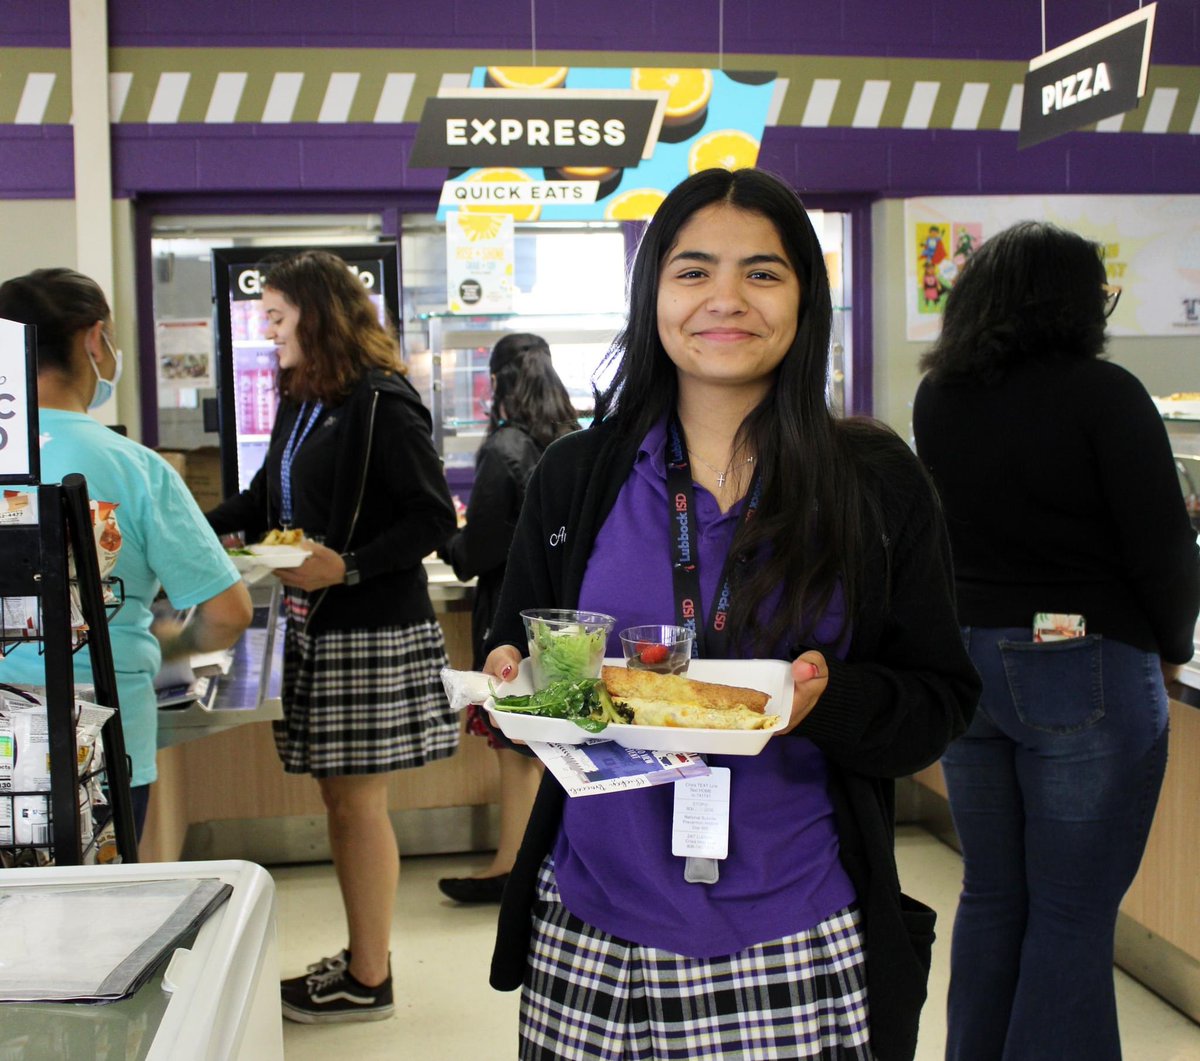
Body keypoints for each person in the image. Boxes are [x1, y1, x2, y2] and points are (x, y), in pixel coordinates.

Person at [480, 168, 981, 1061]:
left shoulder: (873, 480)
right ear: (653, 294)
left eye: (762, 272)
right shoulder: (577, 475)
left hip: (794, 931)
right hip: (592, 932)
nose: (725, 299)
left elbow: (939, 700)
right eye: (693, 270)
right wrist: (512, 681)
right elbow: (520, 645)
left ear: (803, 298)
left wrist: (828, 701)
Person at [912, 221, 1200, 1061]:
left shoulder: (940, 396)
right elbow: (1162, 543)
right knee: (1073, 910)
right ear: (1070, 303)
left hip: (970, 659)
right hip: (1083, 663)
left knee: (995, 892)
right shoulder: (1103, 393)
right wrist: (1173, 642)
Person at [206, 249, 460, 1024]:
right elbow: (262, 497)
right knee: (339, 798)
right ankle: (361, 960)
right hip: (319, 619)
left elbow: (429, 516)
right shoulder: (304, 397)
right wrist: (181, 526)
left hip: (368, 625)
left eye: (277, 317)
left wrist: (344, 567)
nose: (267, 332)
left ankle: (370, 975)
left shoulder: (384, 402)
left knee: (356, 803)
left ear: (318, 317)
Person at [0, 268, 253, 841]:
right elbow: (228, 612)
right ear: (94, 341)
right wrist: (173, 643)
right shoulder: (134, 468)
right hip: (100, 742)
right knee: (92, 916)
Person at [436, 334, 580, 904]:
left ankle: (511, 865)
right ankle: (547, 860)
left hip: (512, 617)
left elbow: (478, 553)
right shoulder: (574, 440)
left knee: (516, 743)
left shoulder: (505, 448)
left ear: (498, 382)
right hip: (571, 618)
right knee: (560, 742)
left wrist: (447, 537)